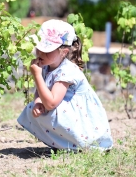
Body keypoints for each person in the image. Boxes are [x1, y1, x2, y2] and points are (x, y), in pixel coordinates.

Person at [17, 19, 113, 151]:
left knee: (52, 111)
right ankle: (63, 143)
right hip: (65, 110)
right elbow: (41, 91)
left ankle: (80, 144)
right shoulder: (46, 66)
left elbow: (51, 103)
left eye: (47, 50)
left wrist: (37, 76)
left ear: (64, 52)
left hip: (80, 118)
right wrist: (38, 101)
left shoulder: (66, 71)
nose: (40, 53)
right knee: (32, 108)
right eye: (39, 48)